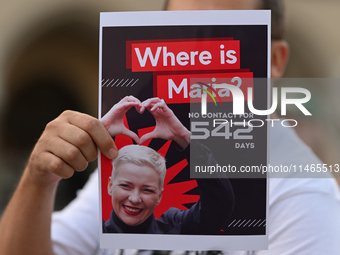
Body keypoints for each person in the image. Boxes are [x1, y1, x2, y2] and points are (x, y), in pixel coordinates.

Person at [0, 0, 340, 254]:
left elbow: (220, 203)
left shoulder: (302, 191)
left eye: (223, 38)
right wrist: (38, 180)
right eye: (180, 34)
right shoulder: (132, 165)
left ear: (274, 61)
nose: (197, 54)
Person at [102, 97, 234, 234]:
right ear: (110, 186)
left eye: (147, 190)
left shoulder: (176, 228)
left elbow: (219, 205)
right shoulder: (91, 231)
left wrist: (183, 137)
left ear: (160, 195)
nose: (135, 199)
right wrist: (98, 132)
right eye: (125, 186)